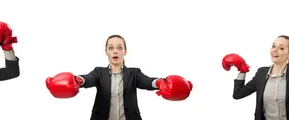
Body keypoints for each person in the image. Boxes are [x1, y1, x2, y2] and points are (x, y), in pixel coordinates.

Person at [45, 35, 193, 120]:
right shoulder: (99, 72)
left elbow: (147, 81)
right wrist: (78, 80)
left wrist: (161, 83)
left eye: (119, 48)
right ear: (106, 52)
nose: (115, 51)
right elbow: (89, 79)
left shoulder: (134, 73)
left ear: (125, 52)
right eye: (111, 48)